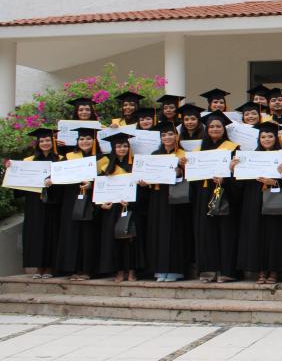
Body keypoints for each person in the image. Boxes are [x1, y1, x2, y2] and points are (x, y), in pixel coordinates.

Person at [234, 121, 282, 285]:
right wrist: (234, 168)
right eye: (263, 136)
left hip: (275, 199)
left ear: (276, 137)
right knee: (256, 234)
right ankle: (261, 270)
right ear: (259, 138)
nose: (267, 139)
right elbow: (240, 184)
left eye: (270, 136)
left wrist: (276, 182)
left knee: (275, 234)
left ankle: (274, 271)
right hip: (254, 200)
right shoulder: (249, 157)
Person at [191, 111, 240, 283]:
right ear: (206, 129)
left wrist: (229, 175)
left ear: (224, 129)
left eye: (218, 126)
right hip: (204, 195)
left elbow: (240, 177)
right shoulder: (198, 150)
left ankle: (227, 271)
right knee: (206, 232)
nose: (215, 129)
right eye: (211, 126)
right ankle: (208, 269)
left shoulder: (233, 148)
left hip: (225, 194)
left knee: (226, 232)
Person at [142, 120, 190, 283]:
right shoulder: (155, 155)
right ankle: (159, 270)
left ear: (177, 136)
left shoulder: (184, 155)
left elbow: (191, 178)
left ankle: (176, 271)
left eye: (170, 134)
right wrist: (144, 181)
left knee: (175, 232)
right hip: (157, 197)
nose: (167, 137)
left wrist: (182, 170)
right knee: (158, 232)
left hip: (176, 197)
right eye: (164, 135)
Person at [55, 127, 103, 280]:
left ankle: (88, 270)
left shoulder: (103, 159)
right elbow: (58, 177)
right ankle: (74, 269)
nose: (85, 141)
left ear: (94, 140)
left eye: (89, 138)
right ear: (77, 141)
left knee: (89, 235)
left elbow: (108, 180)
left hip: (92, 202)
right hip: (71, 199)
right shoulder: (69, 157)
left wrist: (92, 185)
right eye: (82, 139)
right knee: (72, 233)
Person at [15, 128, 63, 278]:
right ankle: (38, 267)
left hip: (53, 203)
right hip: (34, 203)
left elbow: (67, 183)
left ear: (53, 141)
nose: (45, 143)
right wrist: (12, 169)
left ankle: (49, 267)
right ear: (37, 143)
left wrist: (54, 182)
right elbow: (19, 184)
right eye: (42, 141)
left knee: (51, 232)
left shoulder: (61, 159)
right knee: (36, 233)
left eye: (48, 140)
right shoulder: (28, 161)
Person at [96, 132, 143, 282]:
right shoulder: (106, 165)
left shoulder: (135, 164)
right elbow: (100, 188)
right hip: (112, 209)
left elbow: (140, 189)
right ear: (113, 148)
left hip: (131, 207)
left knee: (130, 240)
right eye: (118, 146)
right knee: (114, 240)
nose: (122, 148)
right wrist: (101, 203)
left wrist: (132, 201)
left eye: (124, 146)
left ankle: (132, 270)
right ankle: (119, 270)